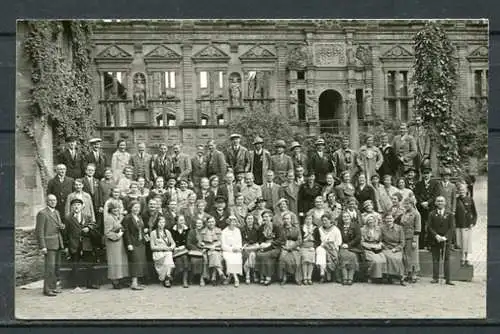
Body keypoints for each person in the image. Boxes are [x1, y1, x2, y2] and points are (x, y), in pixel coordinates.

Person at [65, 197, 100, 291]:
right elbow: (66, 233)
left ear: (82, 206)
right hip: (74, 244)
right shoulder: (68, 218)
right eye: (74, 205)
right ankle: (76, 285)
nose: (76, 207)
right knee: (75, 265)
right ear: (72, 207)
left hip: (86, 243)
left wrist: (89, 228)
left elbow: (94, 225)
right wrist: (66, 246)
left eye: (78, 205)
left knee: (89, 264)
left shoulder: (87, 216)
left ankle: (90, 283)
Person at [35, 194, 65, 297]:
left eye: (55, 200)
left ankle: (53, 287)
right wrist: (42, 246)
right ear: (47, 201)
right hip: (49, 244)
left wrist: (62, 226)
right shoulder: (42, 214)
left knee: (56, 267)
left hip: (57, 242)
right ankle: (47, 289)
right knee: (50, 267)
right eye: (51, 200)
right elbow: (39, 231)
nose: (53, 202)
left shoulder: (57, 212)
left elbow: (58, 225)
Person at [428, 196, 455, 285]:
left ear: (445, 203)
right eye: (438, 201)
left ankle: (448, 279)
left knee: (446, 259)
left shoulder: (450, 214)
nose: (440, 203)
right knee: (435, 259)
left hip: (446, 240)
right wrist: (436, 235)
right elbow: (429, 227)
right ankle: (435, 278)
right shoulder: (431, 214)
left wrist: (445, 237)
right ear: (435, 203)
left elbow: (451, 228)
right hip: (435, 239)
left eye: (442, 201)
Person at [122, 200, 148, 290]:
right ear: (131, 208)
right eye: (135, 207)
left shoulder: (139, 217)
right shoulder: (127, 218)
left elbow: (141, 228)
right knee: (134, 262)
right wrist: (129, 243)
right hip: (133, 243)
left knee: (140, 262)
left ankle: (137, 282)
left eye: (138, 207)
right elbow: (126, 232)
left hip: (140, 242)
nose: (137, 209)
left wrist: (145, 235)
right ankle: (134, 283)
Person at [104, 200, 129, 289]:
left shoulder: (117, 217)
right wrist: (117, 235)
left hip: (119, 242)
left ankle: (120, 279)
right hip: (113, 243)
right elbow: (107, 232)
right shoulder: (109, 218)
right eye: (114, 209)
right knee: (114, 261)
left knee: (120, 261)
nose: (116, 210)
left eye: (117, 209)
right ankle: (114, 281)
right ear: (110, 210)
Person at [255, 210, 282, 285]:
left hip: (275, 247)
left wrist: (270, 244)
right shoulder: (261, 228)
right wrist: (261, 244)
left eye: (267, 216)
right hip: (265, 246)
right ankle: (262, 275)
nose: (265, 218)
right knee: (259, 254)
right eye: (263, 217)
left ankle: (268, 276)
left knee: (266, 255)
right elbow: (259, 239)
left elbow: (280, 239)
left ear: (271, 217)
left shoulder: (276, 227)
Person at [150, 216, 176, 288]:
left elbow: (173, 243)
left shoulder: (167, 232)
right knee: (168, 255)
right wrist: (164, 248)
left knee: (169, 254)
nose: (162, 224)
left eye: (163, 222)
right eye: (160, 222)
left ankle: (166, 278)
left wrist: (171, 247)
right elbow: (152, 247)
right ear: (157, 223)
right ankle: (167, 276)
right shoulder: (153, 233)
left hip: (167, 252)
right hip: (158, 253)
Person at [315, 213, 342, 283]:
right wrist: (324, 245)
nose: (324, 222)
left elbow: (339, 242)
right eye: (323, 220)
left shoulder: (335, 229)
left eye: (326, 220)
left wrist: (330, 246)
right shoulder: (320, 229)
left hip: (333, 248)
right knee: (319, 250)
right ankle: (322, 274)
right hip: (323, 247)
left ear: (330, 221)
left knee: (327, 254)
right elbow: (317, 241)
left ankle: (328, 275)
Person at [399, 197, 421, 283]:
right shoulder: (404, 213)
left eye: (407, 204)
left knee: (413, 256)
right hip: (404, 236)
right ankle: (408, 273)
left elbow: (418, 228)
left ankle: (414, 275)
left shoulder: (416, 214)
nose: (406, 205)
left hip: (412, 238)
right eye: (405, 204)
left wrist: (415, 240)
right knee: (406, 257)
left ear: (412, 204)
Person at [455, 183, 477, 267]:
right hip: (458, 224)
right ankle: (461, 258)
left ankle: (466, 258)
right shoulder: (456, 200)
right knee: (459, 242)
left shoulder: (470, 199)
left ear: (466, 190)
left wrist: (473, 222)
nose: (461, 191)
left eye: (463, 190)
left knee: (467, 242)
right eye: (460, 190)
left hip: (467, 224)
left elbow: (474, 213)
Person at [381, 214, 406, 286]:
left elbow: (402, 242)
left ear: (393, 219)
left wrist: (396, 249)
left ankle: (401, 277)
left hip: (397, 248)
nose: (389, 220)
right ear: (385, 220)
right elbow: (380, 240)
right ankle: (390, 276)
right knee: (387, 257)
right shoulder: (382, 228)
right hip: (386, 248)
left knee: (397, 259)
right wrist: (384, 246)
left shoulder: (399, 228)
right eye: (387, 219)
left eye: (390, 219)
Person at [278, 212, 303, 285]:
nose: (286, 220)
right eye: (285, 219)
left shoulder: (296, 229)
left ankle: (297, 278)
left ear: (291, 220)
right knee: (283, 258)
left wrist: (292, 246)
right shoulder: (281, 229)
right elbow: (280, 240)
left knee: (297, 259)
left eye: (288, 218)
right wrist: (285, 246)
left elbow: (299, 240)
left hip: (295, 247)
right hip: (284, 247)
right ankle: (284, 277)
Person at [200, 216, 226, 285]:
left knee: (215, 254)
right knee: (214, 254)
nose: (211, 223)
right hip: (207, 250)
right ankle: (219, 273)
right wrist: (204, 244)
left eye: (212, 222)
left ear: (215, 222)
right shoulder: (203, 231)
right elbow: (200, 242)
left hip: (217, 249)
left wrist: (214, 246)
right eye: (209, 222)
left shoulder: (218, 230)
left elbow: (221, 241)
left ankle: (214, 277)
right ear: (207, 223)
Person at [361, 213, 387, 282]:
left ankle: (381, 276)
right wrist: (371, 246)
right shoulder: (363, 229)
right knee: (375, 261)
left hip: (377, 248)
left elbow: (382, 240)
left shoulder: (378, 229)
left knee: (383, 260)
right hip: (367, 248)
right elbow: (361, 242)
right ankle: (372, 276)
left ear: (375, 221)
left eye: (372, 220)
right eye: (369, 220)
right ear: (366, 221)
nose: (370, 222)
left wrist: (380, 245)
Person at [414, 167, 436, 249]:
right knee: (421, 226)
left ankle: (430, 244)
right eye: (424, 173)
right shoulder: (419, 184)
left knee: (431, 226)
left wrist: (428, 202)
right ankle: (422, 244)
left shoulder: (435, 183)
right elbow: (416, 194)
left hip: (431, 208)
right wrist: (422, 203)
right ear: (422, 174)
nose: (426, 175)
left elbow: (435, 194)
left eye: (427, 173)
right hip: (421, 208)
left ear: (430, 174)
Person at [338, 211, 362, 285]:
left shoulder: (356, 226)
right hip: (342, 247)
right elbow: (337, 237)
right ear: (342, 218)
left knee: (352, 256)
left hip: (354, 247)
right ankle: (345, 278)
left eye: (347, 216)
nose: (346, 218)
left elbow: (358, 237)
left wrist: (348, 245)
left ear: (350, 217)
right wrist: (341, 244)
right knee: (343, 256)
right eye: (344, 217)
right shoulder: (339, 227)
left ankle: (350, 278)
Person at [221, 216, 244, 287]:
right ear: (228, 222)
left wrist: (237, 248)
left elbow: (240, 242)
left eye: (234, 221)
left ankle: (229, 277)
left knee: (237, 258)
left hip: (236, 250)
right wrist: (231, 249)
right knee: (230, 259)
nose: (233, 223)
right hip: (227, 250)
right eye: (231, 221)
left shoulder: (238, 230)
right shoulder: (224, 231)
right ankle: (236, 278)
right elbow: (223, 245)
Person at [186, 218, 208, 286]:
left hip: (204, 250)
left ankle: (202, 278)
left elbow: (209, 242)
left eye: (200, 223)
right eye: (197, 223)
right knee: (194, 260)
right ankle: (192, 277)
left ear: (203, 224)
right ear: (195, 224)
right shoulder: (192, 232)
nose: (198, 225)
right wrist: (197, 249)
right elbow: (188, 243)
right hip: (195, 251)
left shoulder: (205, 232)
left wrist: (205, 248)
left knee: (205, 259)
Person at [170, 215, 190, 288]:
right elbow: (170, 240)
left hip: (184, 249)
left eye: (183, 220)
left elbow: (189, 241)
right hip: (175, 250)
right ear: (176, 222)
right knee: (179, 259)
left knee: (184, 257)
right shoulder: (172, 230)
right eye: (180, 220)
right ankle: (177, 277)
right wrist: (175, 247)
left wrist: (184, 246)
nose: (182, 222)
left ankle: (185, 280)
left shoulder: (187, 229)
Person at [300, 213, 320, 285]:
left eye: (310, 219)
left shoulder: (315, 228)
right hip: (303, 246)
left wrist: (314, 247)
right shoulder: (301, 227)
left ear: (312, 220)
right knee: (305, 259)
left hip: (312, 246)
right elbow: (299, 239)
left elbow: (318, 240)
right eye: (307, 219)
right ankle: (305, 277)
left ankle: (309, 277)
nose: (308, 221)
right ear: (305, 220)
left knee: (311, 259)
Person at [241, 214, 260, 284]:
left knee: (252, 254)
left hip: (255, 246)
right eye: (248, 219)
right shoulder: (242, 229)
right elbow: (242, 240)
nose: (250, 220)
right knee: (250, 255)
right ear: (245, 220)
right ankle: (251, 274)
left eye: (251, 219)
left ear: (253, 220)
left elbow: (259, 239)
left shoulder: (257, 229)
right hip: (246, 247)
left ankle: (249, 274)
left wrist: (257, 244)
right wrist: (245, 244)